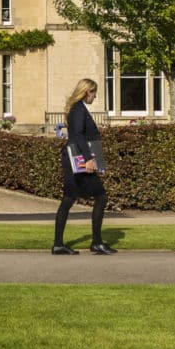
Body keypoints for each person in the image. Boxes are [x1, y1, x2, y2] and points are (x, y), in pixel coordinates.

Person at [52, 78, 115, 255]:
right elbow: (78, 135)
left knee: (69, 199)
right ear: (87, 91)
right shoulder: (79, 109)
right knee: (100, 196)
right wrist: (89, 159)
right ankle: (96, 243)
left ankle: (59, 244)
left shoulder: (77, 109)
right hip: (78, 160)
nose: (95, 97)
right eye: (94, 93)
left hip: (73, 159)